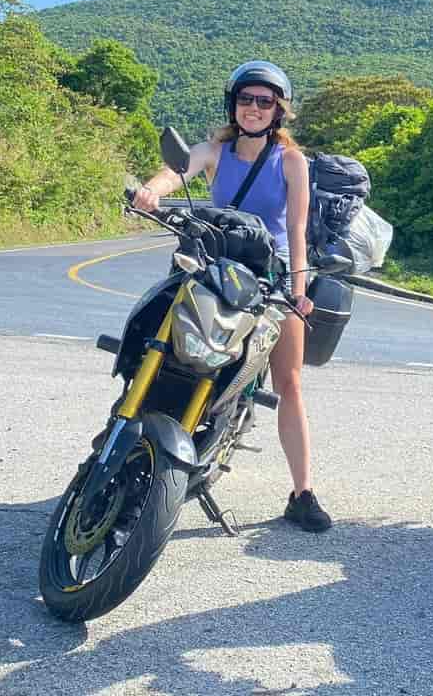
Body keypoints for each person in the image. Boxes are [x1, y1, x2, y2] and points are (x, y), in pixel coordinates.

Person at [132, 59, 332, 533]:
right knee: (159, 339)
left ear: (279, 110)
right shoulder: (216, 150)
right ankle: (128, 433)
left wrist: (298, 293)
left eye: (265, 102)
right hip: (216, 264)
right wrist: (152, 190)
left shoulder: (291, 160)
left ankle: (303, 492)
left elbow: (299, 229)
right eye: (247, 99)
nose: (255, 108)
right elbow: (177, 170)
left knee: (290, 383)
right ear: (233, 104)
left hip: (270, 273)